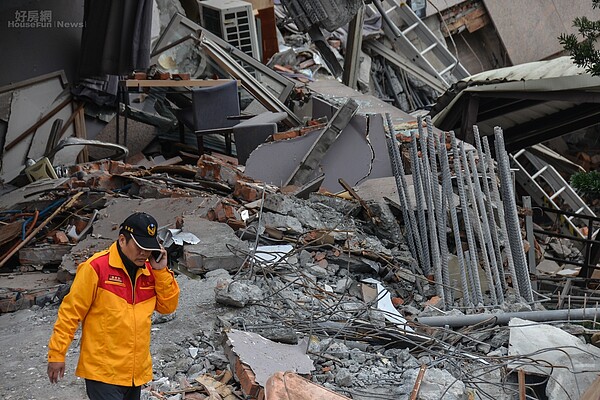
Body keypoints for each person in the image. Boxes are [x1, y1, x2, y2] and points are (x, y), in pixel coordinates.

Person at [47, 212, 180, 400]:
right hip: (102, 373)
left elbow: (168, 307)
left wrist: (161, 272)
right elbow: (70, 313)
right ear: (122, 240)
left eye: (148, 248)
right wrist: (57, 354)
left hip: (134, 374)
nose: (144, 253)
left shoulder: (152, 272)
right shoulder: (96, 268)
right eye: (139, 247)